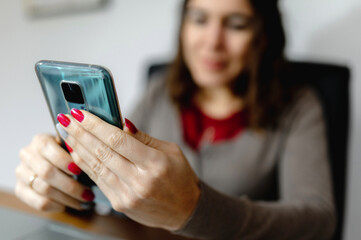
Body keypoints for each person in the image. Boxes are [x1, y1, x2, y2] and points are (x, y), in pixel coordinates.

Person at [15, 0, 336, 239]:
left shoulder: (299, 105)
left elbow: (319, 220)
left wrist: (195, 208)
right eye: (199, 19)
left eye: (236, 24)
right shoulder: (160, 90)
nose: (212, 41)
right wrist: (63, 182)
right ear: (183, 27)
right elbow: (110, 193)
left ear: (263, 36)